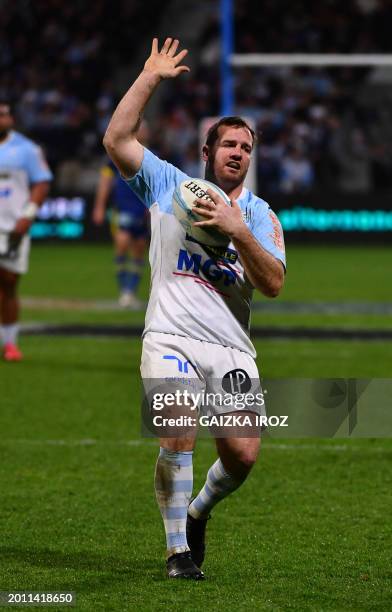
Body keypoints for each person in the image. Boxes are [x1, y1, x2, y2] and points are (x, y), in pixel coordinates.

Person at [104, 38, 286, 580]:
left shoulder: (261, 216)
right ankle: (177, 551)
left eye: (247, 147)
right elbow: (116, 138)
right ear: (207, 152)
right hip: (170, 335)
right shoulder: (168, 184)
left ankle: (198, 509)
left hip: (230, 345)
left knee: (243, 456)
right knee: (177, 431)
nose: (239, 153)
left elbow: (273, 283)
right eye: (229, 144)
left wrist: (237, 232)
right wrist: (150, 77)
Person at [0, 99, 52, 361]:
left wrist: (28, 216)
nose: (4, 119)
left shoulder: (26, 149)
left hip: (12, 227)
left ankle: (9, 343)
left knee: (9, 284)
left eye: (6, 115)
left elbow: (41, 183)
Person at [92, 123, 150, 309]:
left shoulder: (150, 156)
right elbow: (105, 181)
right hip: (122, 208)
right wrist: (99, 206)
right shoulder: (117, 155)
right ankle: (124, 290)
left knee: (139, 250)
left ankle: (131, 291)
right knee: (122, 246)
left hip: (141, 210)